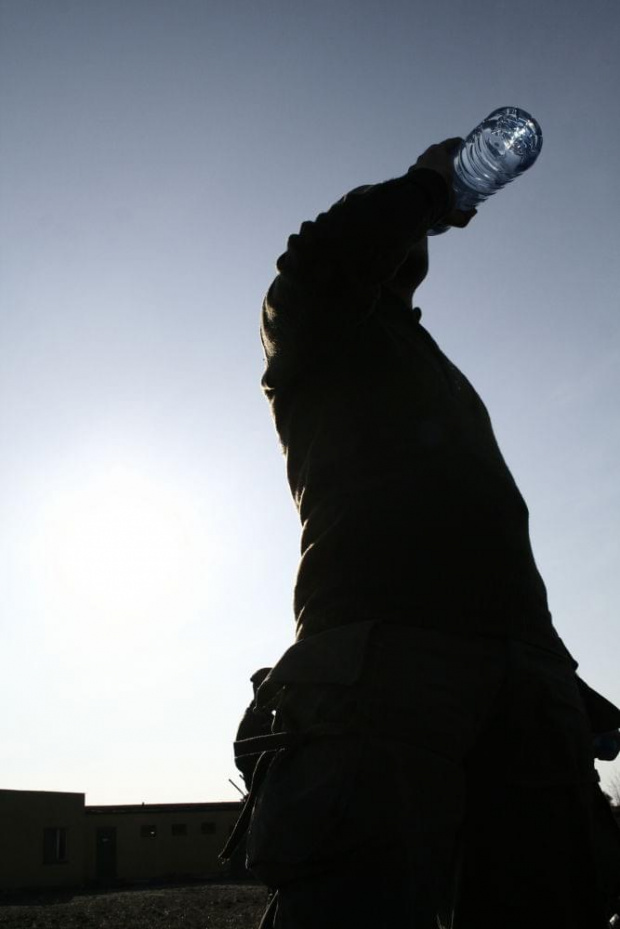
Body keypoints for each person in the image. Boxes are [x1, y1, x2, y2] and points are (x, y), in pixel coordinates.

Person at [235, 138, 620, 928]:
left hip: (523, 670)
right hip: (385, 658)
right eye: (396, 218)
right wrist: (427, 184)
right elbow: (330, 249)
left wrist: (547, 664)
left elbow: (477, 526)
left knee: (555, 900)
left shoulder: (430, 363)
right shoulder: (311, 323)